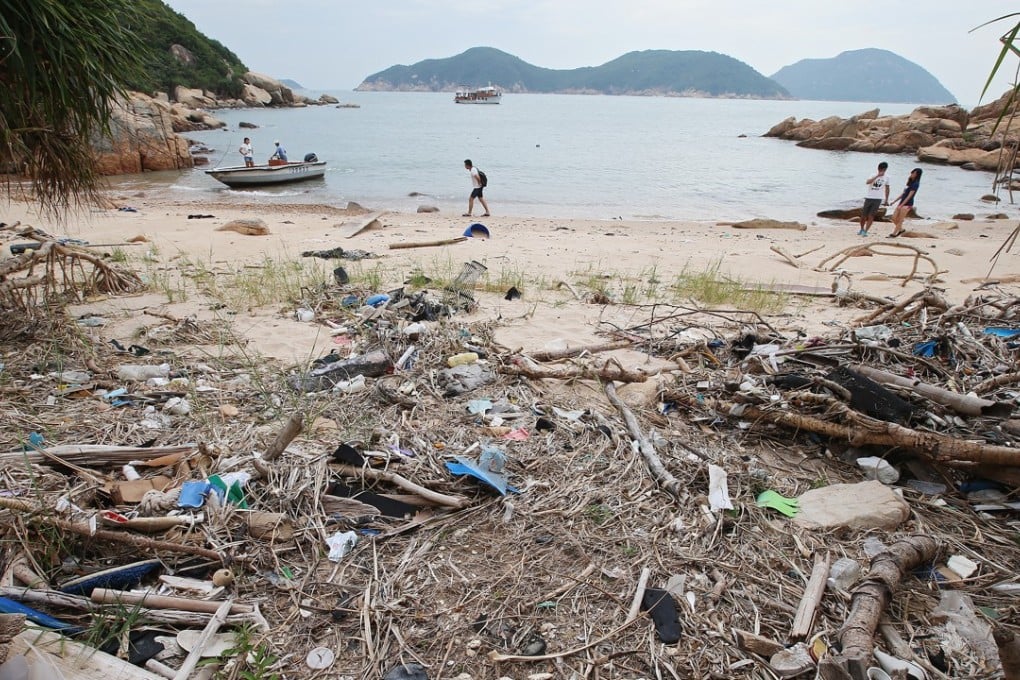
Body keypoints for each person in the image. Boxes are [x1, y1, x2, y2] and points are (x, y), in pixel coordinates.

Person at [858, 161, 891, 236]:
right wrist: (877, 176)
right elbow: (867, 182)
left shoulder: (887, 177)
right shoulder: (873, 175)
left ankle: (865, 231)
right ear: (878, 168)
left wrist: (886, 199)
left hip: (878, 198)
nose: (881, 171)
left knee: (871, 215)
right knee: (863, 215)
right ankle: (861, 229)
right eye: (880, 169)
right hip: (869, 197)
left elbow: (887, 188)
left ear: (885, 169)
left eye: (883, 170)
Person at [888, 168, 922, 237]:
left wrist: (902, 205)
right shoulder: (910, 183)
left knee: (900, 219)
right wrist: (894, 201)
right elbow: (903, 194)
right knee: (894, 218)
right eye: (912, 173)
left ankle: (894, 233)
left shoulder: (916, 184)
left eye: (914, 173)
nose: (912, 174)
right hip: (901, 202)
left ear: (917, 175)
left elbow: (909, 196)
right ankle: (901, 230)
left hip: (908, 204)